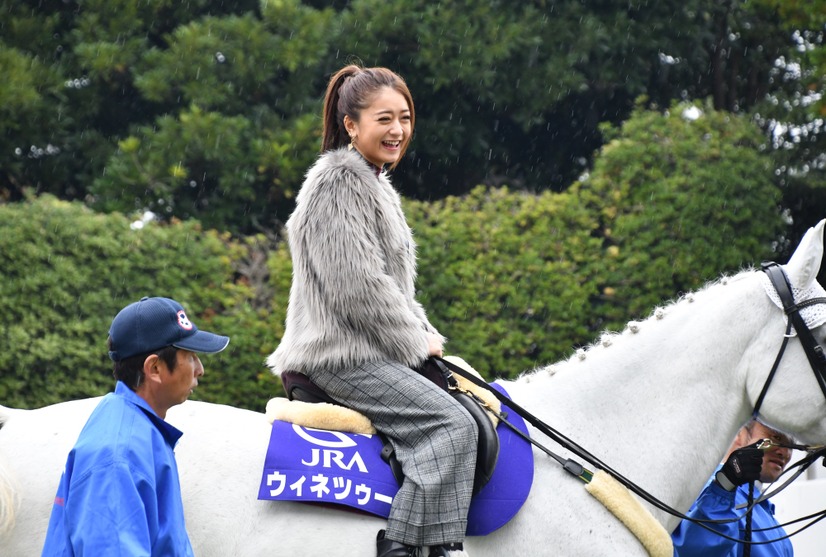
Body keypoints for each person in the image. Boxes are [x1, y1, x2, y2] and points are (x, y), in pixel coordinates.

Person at [267, 64, 478, 557]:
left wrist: (424, 329)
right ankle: (404, 547)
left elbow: (394, 288)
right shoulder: (340, 181)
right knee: (451, 426)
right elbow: (357, 286)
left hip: (371, 348)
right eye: (385, 118)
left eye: (405, 117)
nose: (398, 130)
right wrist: (413, 339)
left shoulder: (375, 182)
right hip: (340, 355)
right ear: (351, 125)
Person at [41, 296, 230, 556]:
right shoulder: (118, 455)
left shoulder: (137, 427)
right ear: (154, 368)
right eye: (191, 356)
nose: (200, 369)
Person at [671, 419, 794, 556]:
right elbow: (695, 551)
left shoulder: (775, 525)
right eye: (775, 437)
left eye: (791, 445)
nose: (785, 452)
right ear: (738, 433)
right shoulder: (702, 490)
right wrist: (724, 486)